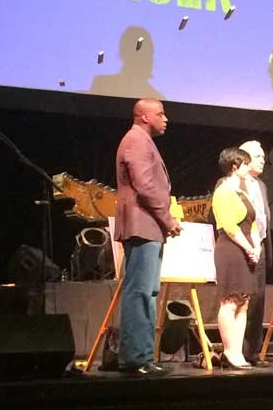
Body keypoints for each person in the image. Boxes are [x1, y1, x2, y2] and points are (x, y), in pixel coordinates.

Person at [113, 98, 181, 376]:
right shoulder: (137, 140)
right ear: (143, 117)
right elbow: (145, 186)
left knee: (147, 292)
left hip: (149, 227)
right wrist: (167, 218)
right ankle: (135, 358)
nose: (166, 119)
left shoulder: (142, 140)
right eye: (160, 114)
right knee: (140, 292)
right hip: (142, 226)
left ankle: (141, 356)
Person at [210, 147, 262, 370]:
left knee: (243, 302)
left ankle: (238, 352)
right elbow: (230, 227)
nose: (249, 167)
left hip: (247, 248)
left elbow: (254, 224)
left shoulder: (243, 193)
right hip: (231, 249)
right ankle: (229, 351)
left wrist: (256, 247)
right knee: (230, 301)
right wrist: (248, 248)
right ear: (234, 166)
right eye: (245, 164)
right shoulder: (223, 192)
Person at [237, 140, 272, 366]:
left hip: (260, 246)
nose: (262, 161)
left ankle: (253, 352)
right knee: (241, 300)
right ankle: (237, 351)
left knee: (258, 300)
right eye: (258, 157)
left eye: (263, 157)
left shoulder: (261, 185)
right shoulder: (230, 182)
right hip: (240, 247)